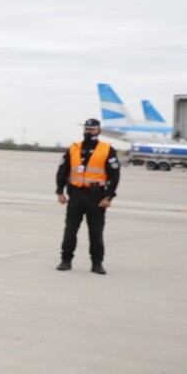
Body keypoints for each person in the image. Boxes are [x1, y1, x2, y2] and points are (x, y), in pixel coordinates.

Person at [55, 118, 120, 275]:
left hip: (96, 197)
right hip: (76, 196)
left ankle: (97, 263)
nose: (88, 131)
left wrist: (109, 197)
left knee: (96, 232)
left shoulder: (107, 149)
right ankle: (66, 260)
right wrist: (59, 191)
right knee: (70, 230)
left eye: (92, 129)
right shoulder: (74, 148)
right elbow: (63, 170)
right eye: (87, 129)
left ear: (99, 131)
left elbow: (115, 174)